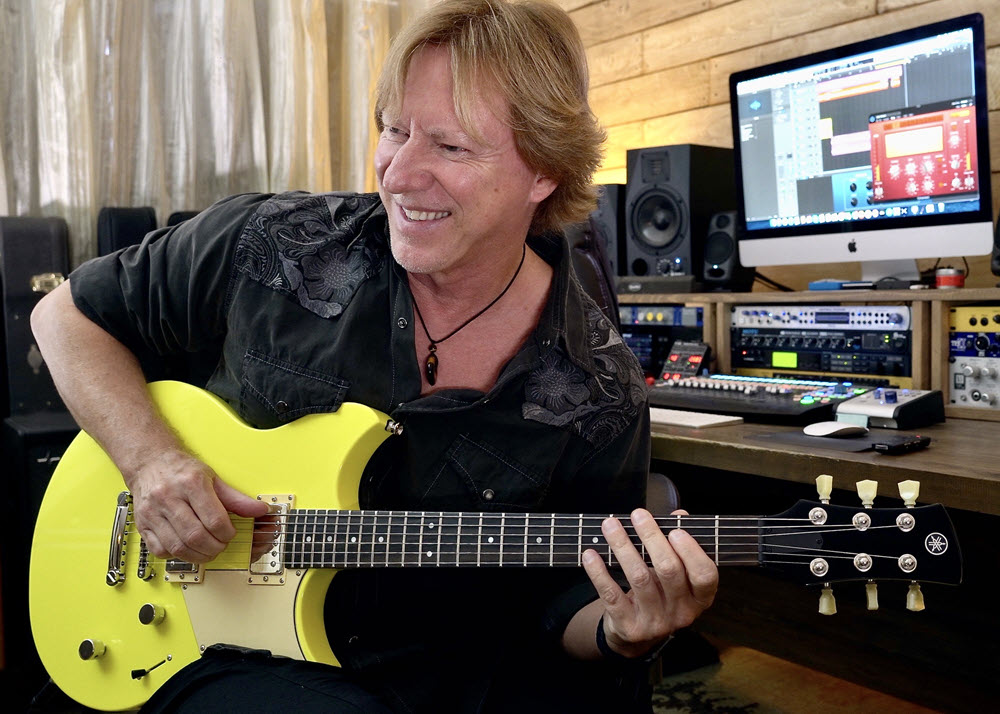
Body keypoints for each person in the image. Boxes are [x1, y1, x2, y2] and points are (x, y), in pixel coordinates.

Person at [31, 0, 718, 711]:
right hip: (196, 645)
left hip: (428, 680)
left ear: (543, 171)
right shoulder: (277, 244)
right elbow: (66, 314)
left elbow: (563, 605)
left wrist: (623, 630)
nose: (399, 174)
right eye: (395, 130)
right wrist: (152, 463)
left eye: (450, 147)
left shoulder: (598, 387)